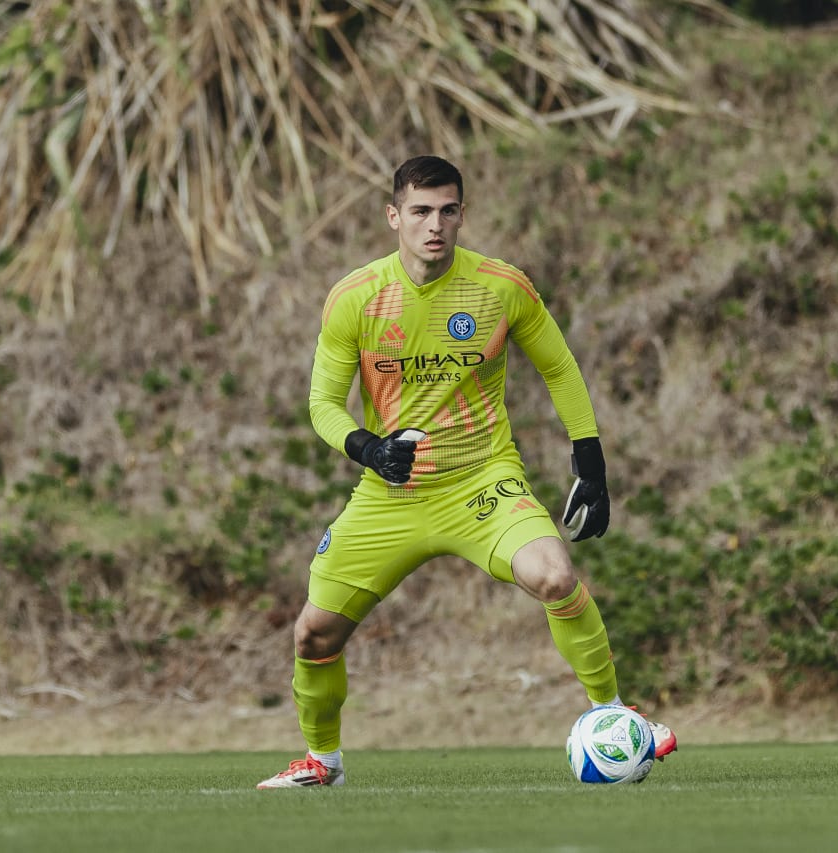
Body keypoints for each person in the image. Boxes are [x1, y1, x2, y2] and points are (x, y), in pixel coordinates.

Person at [257, 155, 676, 788]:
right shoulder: (356, 298)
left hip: (483, 481)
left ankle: (617, 718)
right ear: (393, 216)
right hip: (390, 494)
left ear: (462, 215)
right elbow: (321, 404)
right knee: (313, 635)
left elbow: (559, 368)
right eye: (420, 211)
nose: (435, 225)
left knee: (556, 575)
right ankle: (324, 762)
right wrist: (368, 448)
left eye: (447, 210)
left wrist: (588, 458)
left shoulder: (501, 286)